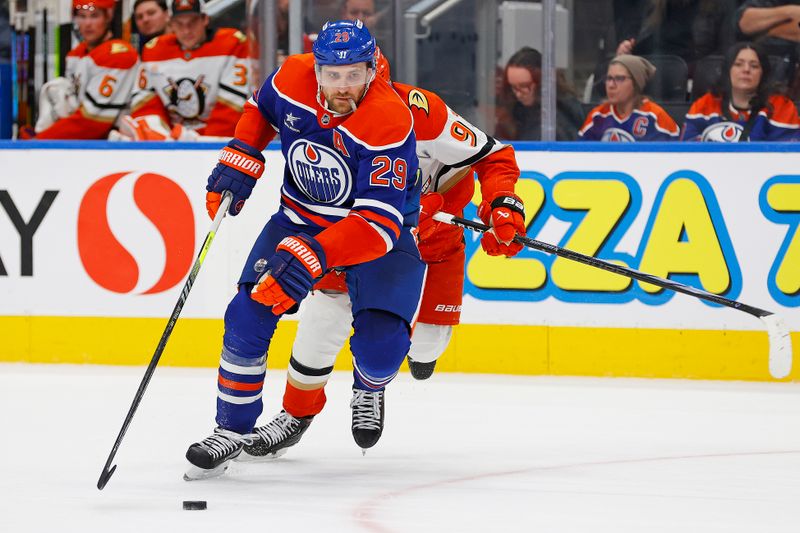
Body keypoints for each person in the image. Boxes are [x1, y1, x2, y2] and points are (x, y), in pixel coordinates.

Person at [236, 47, 526, 461]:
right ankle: (295, 415)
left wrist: (501, 205)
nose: (346, 97)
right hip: (361, 244)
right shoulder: (326, 116)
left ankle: (370, 383)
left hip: (430, 246)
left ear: (374, 79)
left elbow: (493, 156)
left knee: (423, 350)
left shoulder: (420, 113)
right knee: (321, 324)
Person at [184, 20, 425, 480]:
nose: (342, 86)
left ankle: (369, 386)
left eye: (353, 74)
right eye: (332, 75)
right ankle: (231, 430)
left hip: (375, 243)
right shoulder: (292, 76)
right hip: (298, 219)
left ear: (372, 68)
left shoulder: (388, 118)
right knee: (247, 311)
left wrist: (314, 253)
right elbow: (260, 108)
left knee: (381, 351)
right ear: (316, 69)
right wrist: (242, 152)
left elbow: (380, 223)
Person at [121, 0, 251, 141]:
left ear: (205, 19)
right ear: (170, 24)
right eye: (179, 23)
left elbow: (231, 106)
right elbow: (146, 105)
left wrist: (201, 145)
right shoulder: (154, 51)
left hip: (220, 142)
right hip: (174, 142)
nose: (186, 30)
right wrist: (164, 139)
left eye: (193, 22)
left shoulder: (231, 44)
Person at [30, 0, 138, 139]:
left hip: (119, 146)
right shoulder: (76, 54)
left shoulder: (120, 55)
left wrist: (40, 141)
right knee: (55, 89)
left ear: (108, 17)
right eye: (82, 16)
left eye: (94, 16)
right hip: (89, 143)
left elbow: (94, 121)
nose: (87, 23)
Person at [683, 41, 800, 141]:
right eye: (738, 64)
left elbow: (785, 157)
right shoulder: (705, 105)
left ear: (763, 73)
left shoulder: (781, 107)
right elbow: (687, 152)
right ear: (727, 71)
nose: (746, 70)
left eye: (754, 66)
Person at [580, 54, 680, 141]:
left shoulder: (655, 116)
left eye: (619, 78)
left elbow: (673, 156)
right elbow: (578, 153)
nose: (611, 85)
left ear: (636, 83)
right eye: (609, 78)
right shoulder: (597, 116)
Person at [496, 46, 584, 141]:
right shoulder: (514, 115)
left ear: (542, 83)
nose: (518, 94)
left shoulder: (556, 122)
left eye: (525, 86)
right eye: (513, 87)